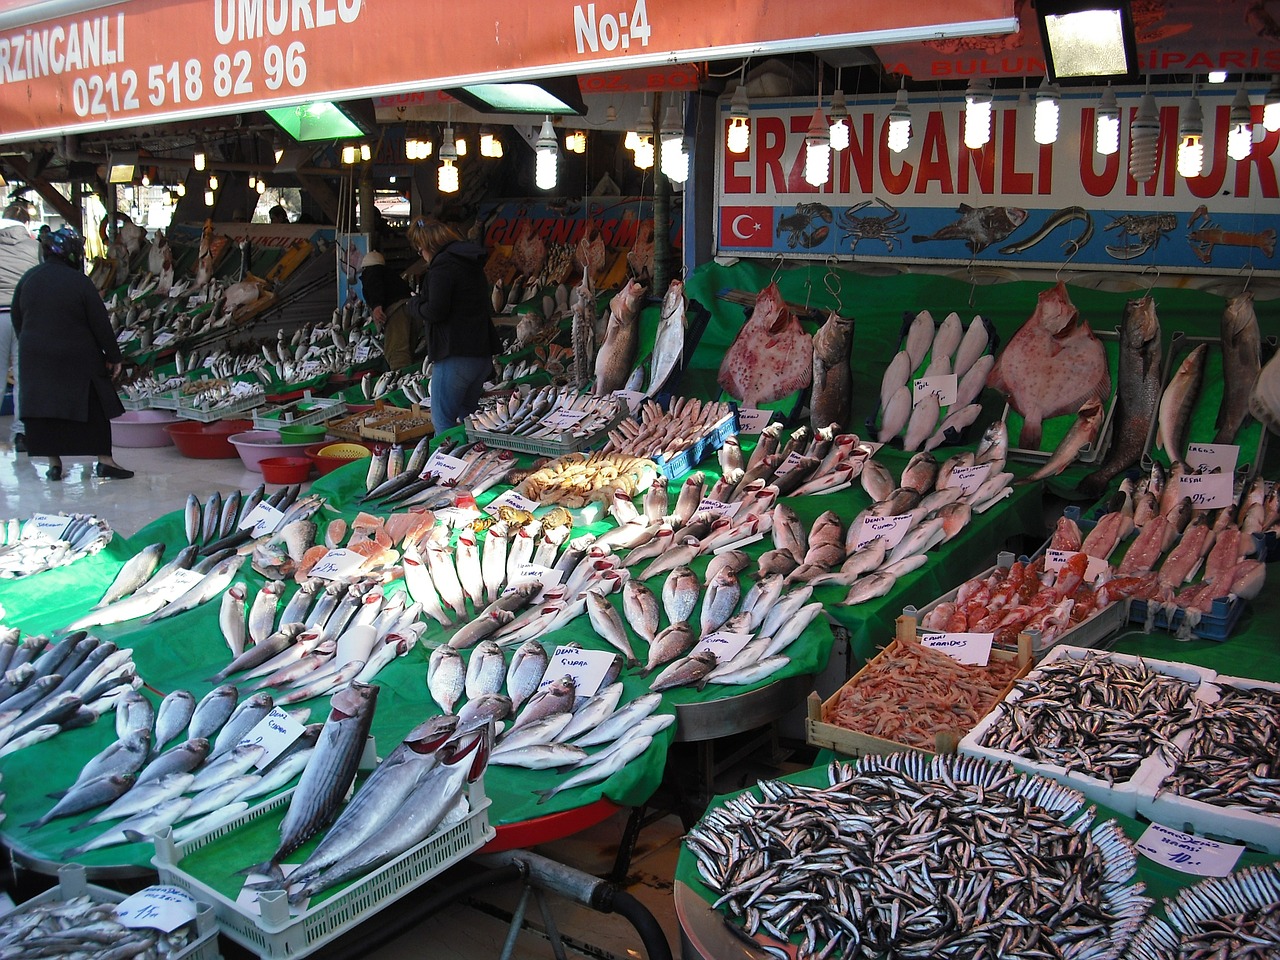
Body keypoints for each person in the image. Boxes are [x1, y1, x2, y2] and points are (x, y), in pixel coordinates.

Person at [11, 226, 133, 481]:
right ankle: (105, 461)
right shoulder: (79, 281)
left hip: (36, 357)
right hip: (78, 356)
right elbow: (99, 321)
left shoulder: (29, 279)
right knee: (94, 406)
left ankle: (54, 464)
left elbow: (17, 318)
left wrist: (32, 345)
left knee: (46, 409)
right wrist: (113, 356)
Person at [405, 218, 498, 429]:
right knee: (471, 422)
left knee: (442, 422)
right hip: (480, 354)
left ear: (428, 247)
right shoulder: (470, 262)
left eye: (420, 251)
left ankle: (448, 462)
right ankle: (476, 460)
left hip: (455, 355)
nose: (422, 256)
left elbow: (436, 311)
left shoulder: (443, 267)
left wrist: (415, 304)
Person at [0, 206, 38, 452]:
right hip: (24, 316)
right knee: (24, 377)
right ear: (25, 223)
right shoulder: (35, 247)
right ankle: (21, 434)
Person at [359, 245, 414, 369]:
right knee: (408, 348)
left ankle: (402, 382)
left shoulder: (372, 272)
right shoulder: (390, 275)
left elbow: (374, 286)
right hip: (412, 308)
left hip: (398, 311)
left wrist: (377, 306)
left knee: (396, 352)